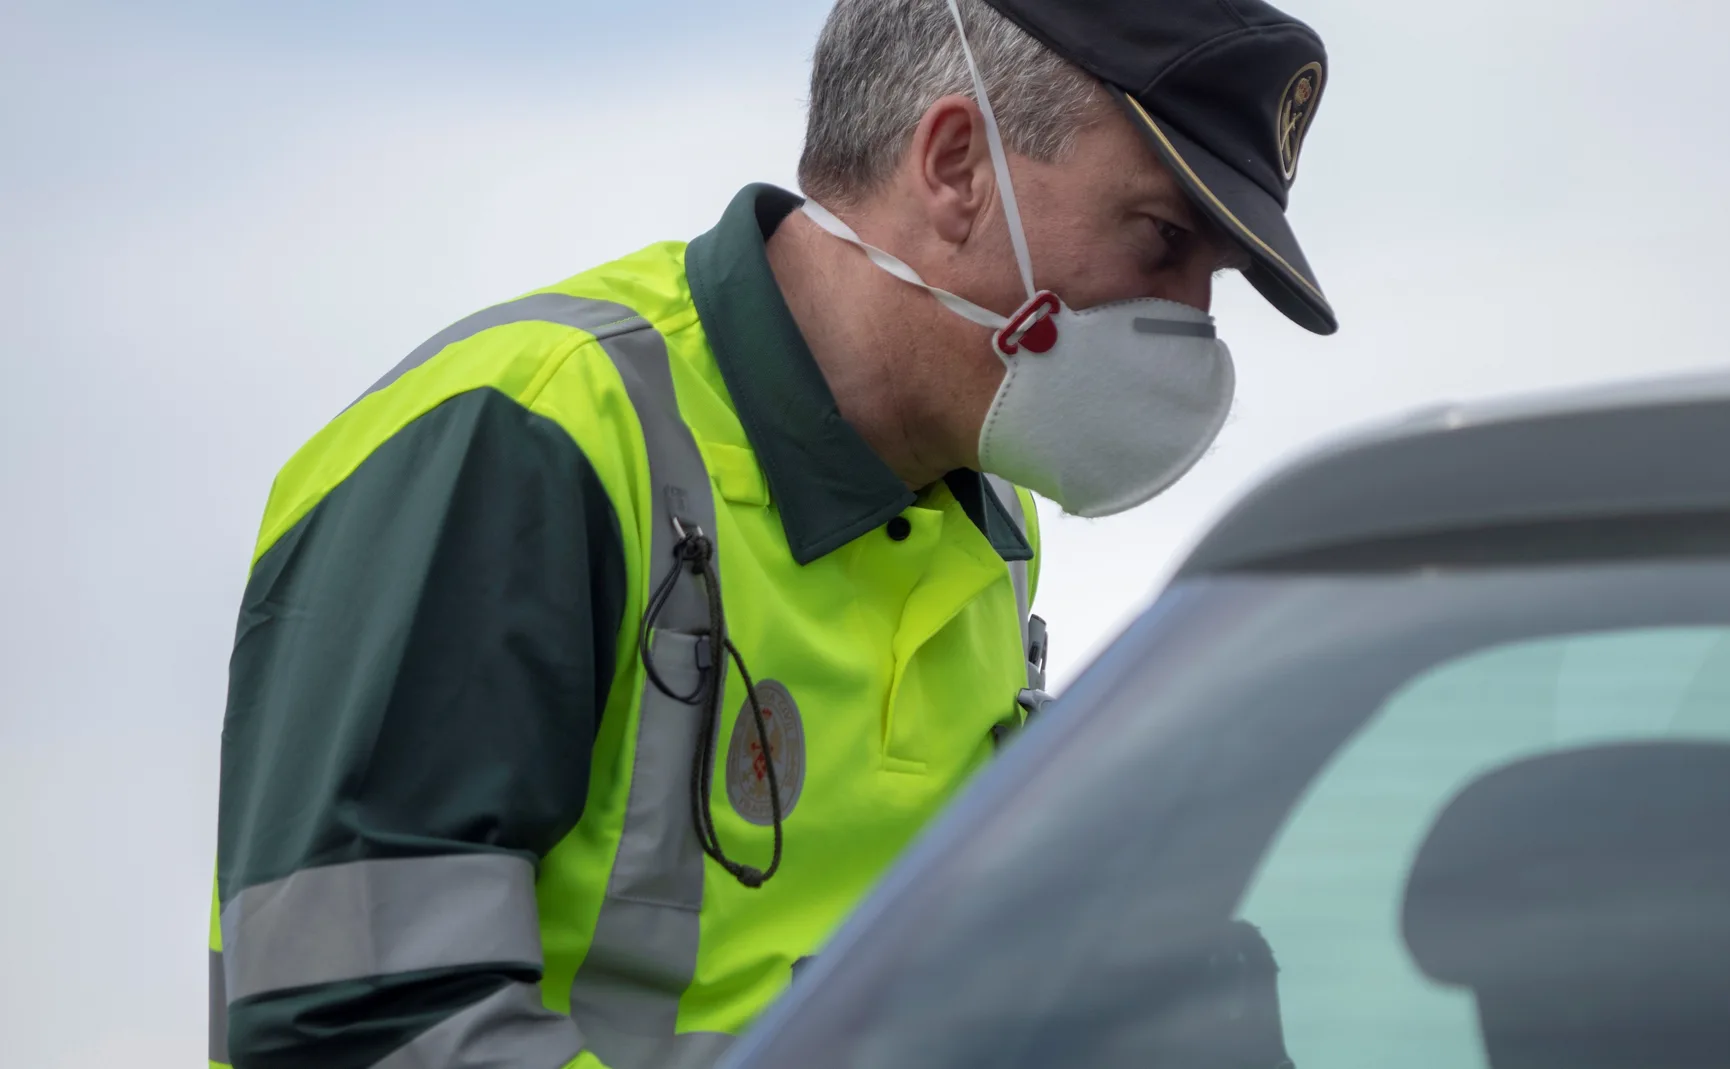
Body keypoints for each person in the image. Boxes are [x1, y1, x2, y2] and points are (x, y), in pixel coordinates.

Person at [206, 0, 1336, 1065]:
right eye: (1158, 241)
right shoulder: (526, 439)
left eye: (1211, 277)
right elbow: (353, 1025)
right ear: (954, 165)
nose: (1190, 323)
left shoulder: (989, 515)